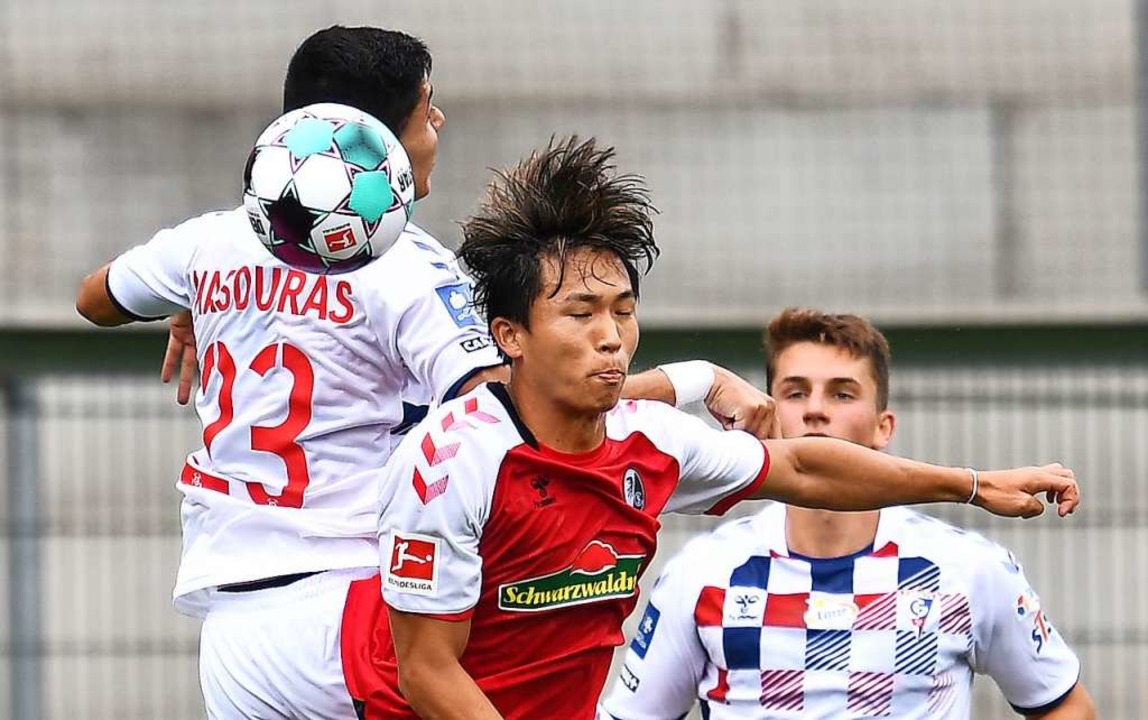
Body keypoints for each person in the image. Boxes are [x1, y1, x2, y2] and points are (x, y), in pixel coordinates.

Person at [73, 27, 776, 720]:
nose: (438, 122)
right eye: (425, 108)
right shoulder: (408, 266)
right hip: (353, 605)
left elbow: (95, 299)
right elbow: (513, 404)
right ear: (368, 146)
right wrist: (694, 380)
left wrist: (192, 302)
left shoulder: (211, 241)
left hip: (233, 626)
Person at [338, 137, 1080, 720]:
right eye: (579, 314)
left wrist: (974, 485)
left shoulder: (652, 441)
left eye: (622, 311)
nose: (610, 336)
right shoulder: (451, 464)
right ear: (510, 335)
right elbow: (428, 672)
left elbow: (805, 468)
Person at [599, 308, 1096, 720]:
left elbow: (1063, 706)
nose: (816, 410)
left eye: (841, 393)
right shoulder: (700, 573)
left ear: (884, 426)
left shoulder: (970, 569)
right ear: (767, 413)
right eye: (795, 392)